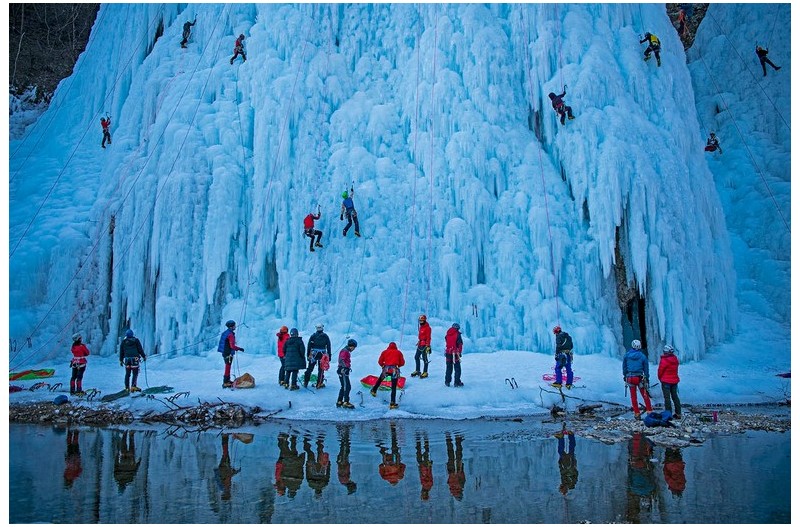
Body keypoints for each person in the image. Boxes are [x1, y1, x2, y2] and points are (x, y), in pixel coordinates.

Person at [623, 339, 653, 419]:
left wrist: (625, 375)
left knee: (633, 396)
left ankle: (637, 413)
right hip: (639, 378)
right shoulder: (643, 356)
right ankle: (649, 411)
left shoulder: (627, 355)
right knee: (644, 395)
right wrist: (647, 377)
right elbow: (646, 369)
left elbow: (624, 367)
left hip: (630, 377)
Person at [370, 341, 405, 409]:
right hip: (394, 369)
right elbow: (402, 363)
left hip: (386, 368)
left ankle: (374, 390)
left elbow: (380, 361)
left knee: (380, 379)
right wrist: (398, 366)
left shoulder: (384, 352)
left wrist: (383, 366)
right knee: (393, 387)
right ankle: (392, 403)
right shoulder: (398, 352)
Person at [217, 320, 244, 388]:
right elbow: (232, 346)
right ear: (231, 326)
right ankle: (226, 382)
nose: (235, 326)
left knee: (227, 366)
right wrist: (239, 348)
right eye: (234, 325)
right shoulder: (230, 335)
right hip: (228, 353)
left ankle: (227, 381)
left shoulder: (226, 333)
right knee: (228, 367)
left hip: (225, 352)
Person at [304, 323, 332, 388]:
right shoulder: (325, 336)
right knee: (321, 369)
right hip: (322, 355)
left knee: (310, 369)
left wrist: (308, 355)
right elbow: (328, 346)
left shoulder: (313, 336)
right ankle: (319, 384)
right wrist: (329, 356)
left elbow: (309, 346)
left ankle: (306, 382)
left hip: (314, 354)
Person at [658, 344, 682, 419]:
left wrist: (660, 378)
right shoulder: (675, 359)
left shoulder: (664, 360)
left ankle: (668, 414)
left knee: (667, 398)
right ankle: (678, 413)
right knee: (675, 396)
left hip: (665, 381)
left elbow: (660, 371)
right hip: (674, 381)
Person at [215, 433, 240, 501]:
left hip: (224, 467)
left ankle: (224, 437)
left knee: (225, 453)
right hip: (224, 467)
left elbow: (227, 477)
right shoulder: (224, 488)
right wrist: (234, 472)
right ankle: (225, 437)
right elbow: (227, 477)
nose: (229, 493)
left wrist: (233, 472)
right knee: (225, 453)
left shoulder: (224, 488)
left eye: (228, 495)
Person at [555, 425, 578, 495]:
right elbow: (574, 474)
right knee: (570, 450)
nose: (560, 485)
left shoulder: (564, 482)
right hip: (569, 465)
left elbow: (562, 473)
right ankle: (569, 436)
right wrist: (572, 467)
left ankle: (562, 437)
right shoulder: (570, 483)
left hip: (565, 464)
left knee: (563, 451)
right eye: (561, 487)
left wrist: (560, 464)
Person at [336, 338, 358, 409]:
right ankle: (346, 402)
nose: (353, 349)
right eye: (353, 347)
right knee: (347, 386)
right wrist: (345, 367)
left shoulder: (345, 351)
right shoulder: (345, 351)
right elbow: (341, 360)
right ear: (351, 346)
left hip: (342, 370)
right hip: (343, 370)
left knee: (343, 386)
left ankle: (339, 401)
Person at [336, 425, 358, 494]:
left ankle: (345, 432)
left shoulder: (345, 480)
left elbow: (344, 469)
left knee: (345, 447)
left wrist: (346, 463)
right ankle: (343, 432)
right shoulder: (343, 482)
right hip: (341, 461)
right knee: (343, 446)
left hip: (343, 461)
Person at [445, 432, 466, 500]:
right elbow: (448, 481)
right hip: (451, 470)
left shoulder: (460, 486)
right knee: (450, 454)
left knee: (458, 454)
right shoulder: (451, 488)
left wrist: (461, 467)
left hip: (457, 470)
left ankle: (458, 439)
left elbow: (462, 477)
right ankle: (448, 439)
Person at [411, 314, 431, 378]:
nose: (420, 322)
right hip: (420, 344)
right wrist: (419, 341)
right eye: (420, 321)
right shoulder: (421, 327)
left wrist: (428, 345)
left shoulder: (428, 328)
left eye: (422, 321)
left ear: (425, 321)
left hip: (424, 345)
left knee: (425, 358)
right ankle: (418, 370)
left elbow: (428, 337)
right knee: (416, 357)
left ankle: (425, 372)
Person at [415, 430, 433, 501]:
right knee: (422, 452)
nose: (422, 494)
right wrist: (429, 466)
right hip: (425, 466)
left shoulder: (426, 486)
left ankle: (421, 439)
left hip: (423, 467)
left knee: (422, 452)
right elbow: (428, 475)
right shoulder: (427, 486)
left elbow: (423, 476)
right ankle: (422, 439)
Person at [444, 322, 463, 387]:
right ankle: (457, 382)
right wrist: (459, 352)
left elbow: (447, 341)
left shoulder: (447, 334)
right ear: (457, 328)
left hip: (448, 353)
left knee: (449, 368)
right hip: (455, 354)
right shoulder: (458, 334)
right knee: (457, 369)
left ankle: (447, 382)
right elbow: (460, 344)